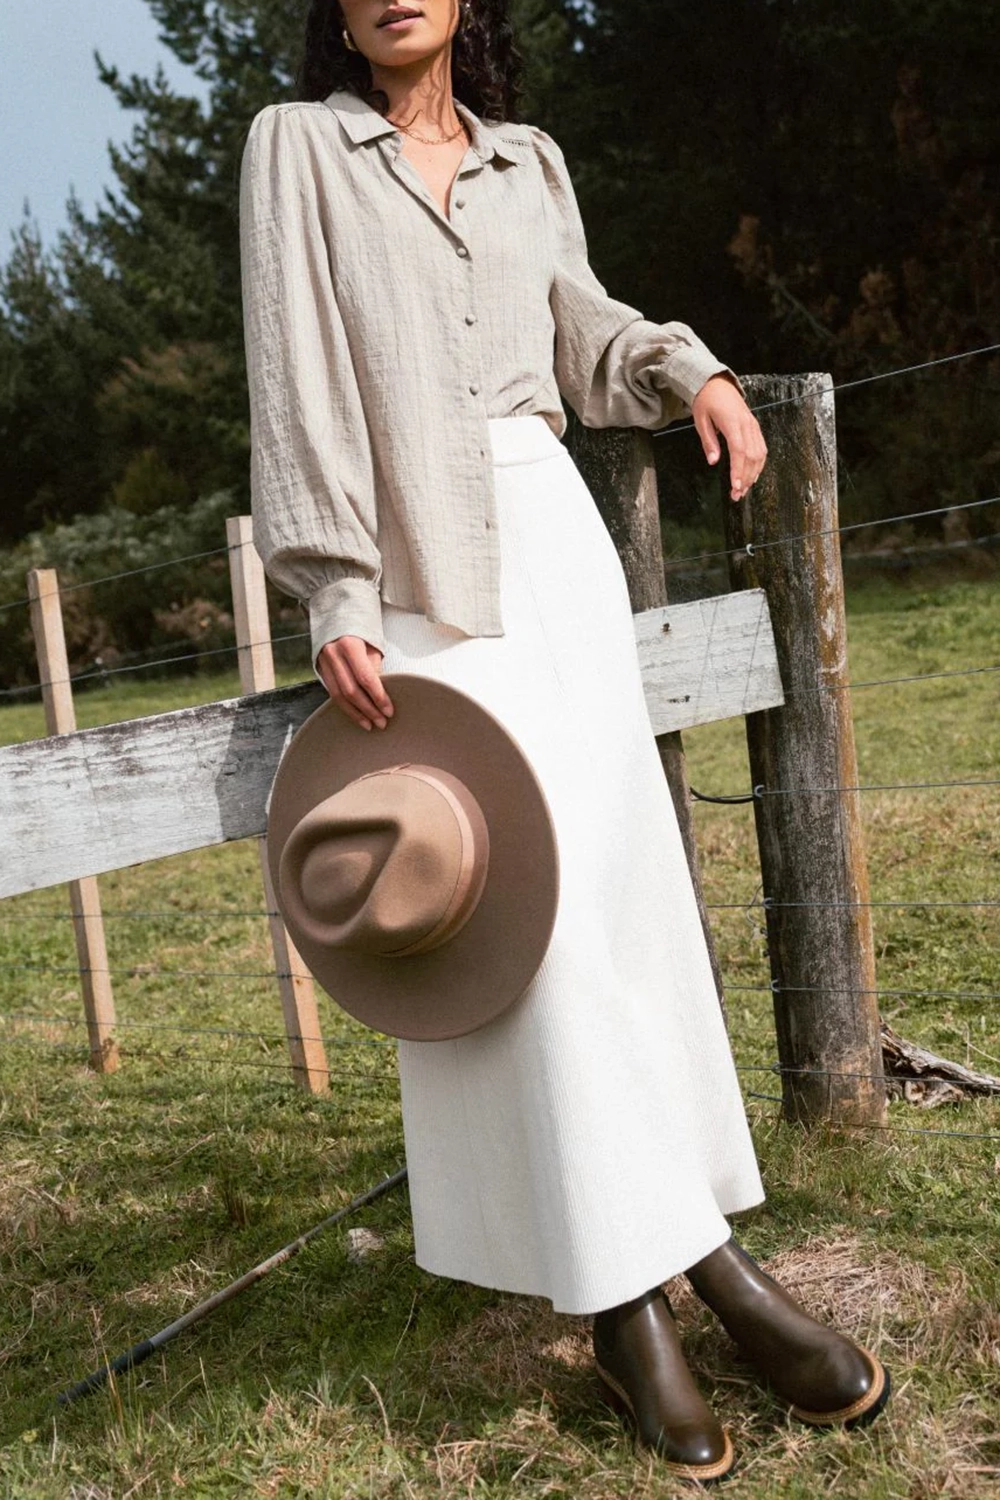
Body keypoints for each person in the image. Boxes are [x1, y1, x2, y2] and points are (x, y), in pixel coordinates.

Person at [239, 0, 889, 1479]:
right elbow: (293, 376)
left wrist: (691, 373)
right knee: (504, 932)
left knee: (611, 912)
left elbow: (579, 330)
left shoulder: (528, 159)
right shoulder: (297, 149)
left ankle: (653, 1284)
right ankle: (672, 1287)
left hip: (553, 539)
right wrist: (334, 578)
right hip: (417, 571)